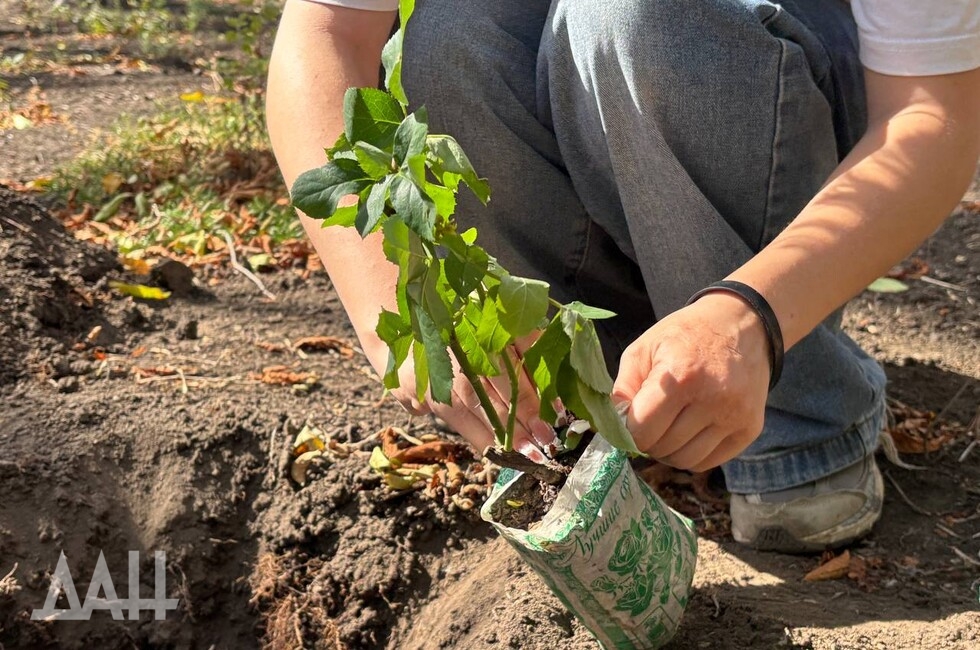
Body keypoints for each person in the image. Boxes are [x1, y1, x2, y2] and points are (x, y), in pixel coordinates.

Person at [266, 0, 980, 553]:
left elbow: (932, 116)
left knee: (639, 15)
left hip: (770, 85)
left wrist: (752, 313)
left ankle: (796, 421)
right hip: (583, 90)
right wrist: (396, 302)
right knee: (453, 37)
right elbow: (326, 33)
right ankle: (594, 404)